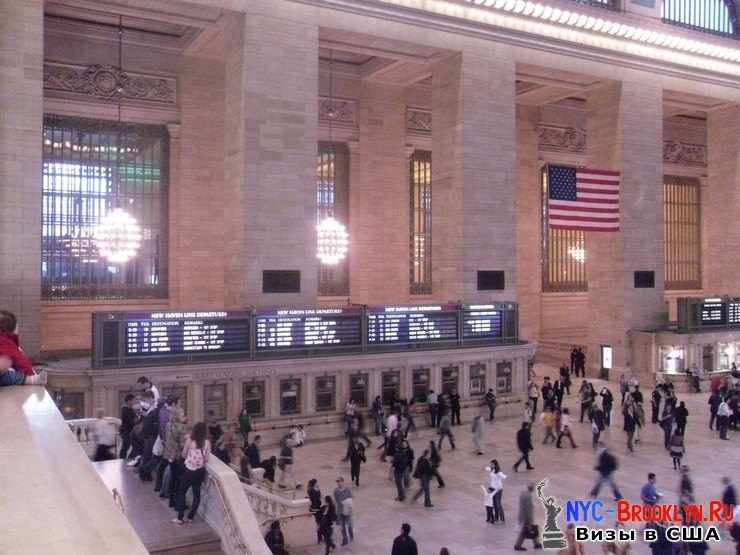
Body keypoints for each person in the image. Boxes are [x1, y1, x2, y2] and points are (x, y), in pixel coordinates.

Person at [172, 421, 210, 524]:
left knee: (181, 491)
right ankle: (190, 517)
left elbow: (184, 454)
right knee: (197, 495)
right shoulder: (207, 442)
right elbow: (207, 458)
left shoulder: (190, 440)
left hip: (189, 470)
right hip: (200, 471)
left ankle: (180, 518)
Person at [0, 311, 45, 383]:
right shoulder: (7, 343)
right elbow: (25, 367)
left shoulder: (8, 343)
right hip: (24, 377)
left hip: (21, 377)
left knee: (8, 376)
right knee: (8, 376)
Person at [160, 404, 186, 507]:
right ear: (179, 415)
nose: (185, 416)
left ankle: (171, 500)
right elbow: (182, 444)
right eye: (183, 414)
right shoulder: (181, 427)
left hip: (169, 454)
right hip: (177, 456)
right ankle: (178, 503)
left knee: (172, 478)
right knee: (178, 480)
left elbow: (166, 439)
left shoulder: (168, 425)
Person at [514, 482, 542, 551]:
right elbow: (528, 509)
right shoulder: (528, 496)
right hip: (526, 517)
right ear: (532, 488)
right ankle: (517, 545)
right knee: (525, 531)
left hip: (522, 515)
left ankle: (537, 544)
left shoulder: (523, 493)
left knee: (532, 529)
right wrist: (530, 519)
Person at [333, 477, 353, 546]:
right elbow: (336, 501)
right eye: (337, 482)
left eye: (339, 481)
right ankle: (345, 539)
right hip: (340, 511)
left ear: (342, 482)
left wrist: (349, 507)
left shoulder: (348, 489)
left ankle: (351, 536)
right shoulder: (335, 491)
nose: (338, 483)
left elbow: (351, 498)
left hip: (347, 510)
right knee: (342, 527)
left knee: (350, 525)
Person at [486, 459, 507, 523]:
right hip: (493, 488)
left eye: (492, 464)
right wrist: (487, 468)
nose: (491, 465)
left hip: (498, 489)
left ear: (495, 465)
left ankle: (502, 518)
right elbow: (488, 468)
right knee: (494, 504)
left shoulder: (498, 472)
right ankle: (496, 517)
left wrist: (501, 475)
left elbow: (504, 477)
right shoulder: (492, 470)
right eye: (490, 464)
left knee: (498, 504)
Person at [119, 393, 138, 460]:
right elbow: (131, 420)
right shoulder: (125, 410)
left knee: (133, 446)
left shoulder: (131, 410)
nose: (134, 402)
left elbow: (135, 419)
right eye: (133, 400)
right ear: (129, 401)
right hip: (126, 432)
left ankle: (128, 458)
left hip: (130, 432)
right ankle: (121, 460)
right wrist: (135, 419)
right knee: (126, 446)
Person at [307, 479, 323, 544]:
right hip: (316, 509)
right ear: (314, 484)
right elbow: (313, 501)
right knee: (319, 524)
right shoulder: (313, 491)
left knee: (319, 523)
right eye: (317, 483)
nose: (318, 484)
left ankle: (320, 538)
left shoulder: (311, 490)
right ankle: (320, 538)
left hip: (315, 508)